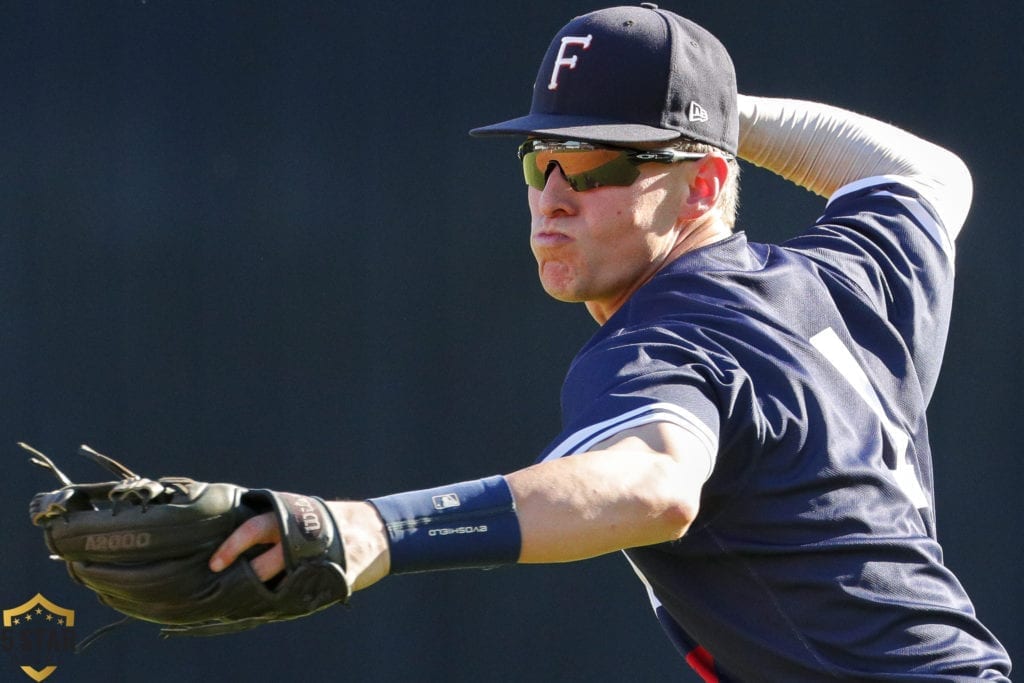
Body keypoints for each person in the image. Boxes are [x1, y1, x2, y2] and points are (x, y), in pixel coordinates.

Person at [209, 4, 1012, 680]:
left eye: (593, 162)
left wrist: (382, 528)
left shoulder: (663, 336)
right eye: (540, 158)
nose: (553, 198)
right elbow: (927, 172)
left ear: (703, 184)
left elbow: (654, 483)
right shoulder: (839, 279)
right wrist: (710, 115)